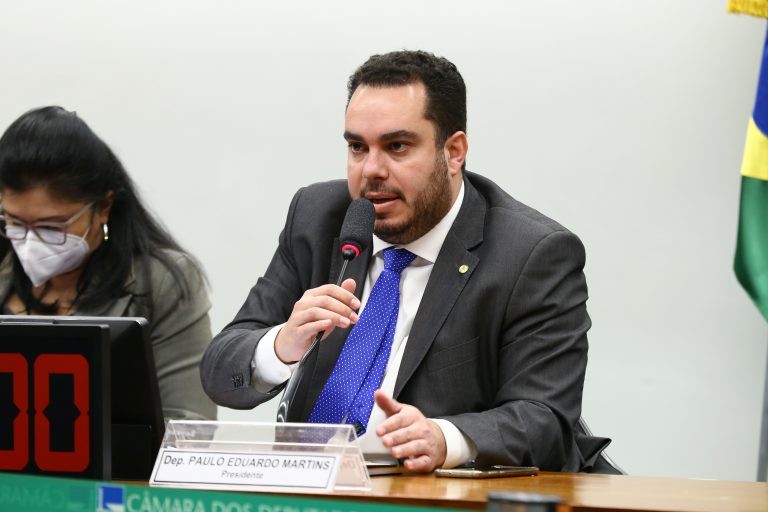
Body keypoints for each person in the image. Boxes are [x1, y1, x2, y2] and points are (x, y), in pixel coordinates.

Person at [201, 50, 606, 471]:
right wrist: (281, 346)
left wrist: (447, 438)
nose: (371, 170)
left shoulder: (531, 254)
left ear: (454, 152)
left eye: (396, 146)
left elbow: (545, 419)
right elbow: (219, 372)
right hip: (313, 490)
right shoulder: (319, 216)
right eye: (357, 147)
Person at [0, 106, 216, 421]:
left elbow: (188, 427)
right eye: (15, 223)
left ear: (103, 207)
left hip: (121, 471)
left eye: (52, 227)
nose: (30, 242)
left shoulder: (161, 282)